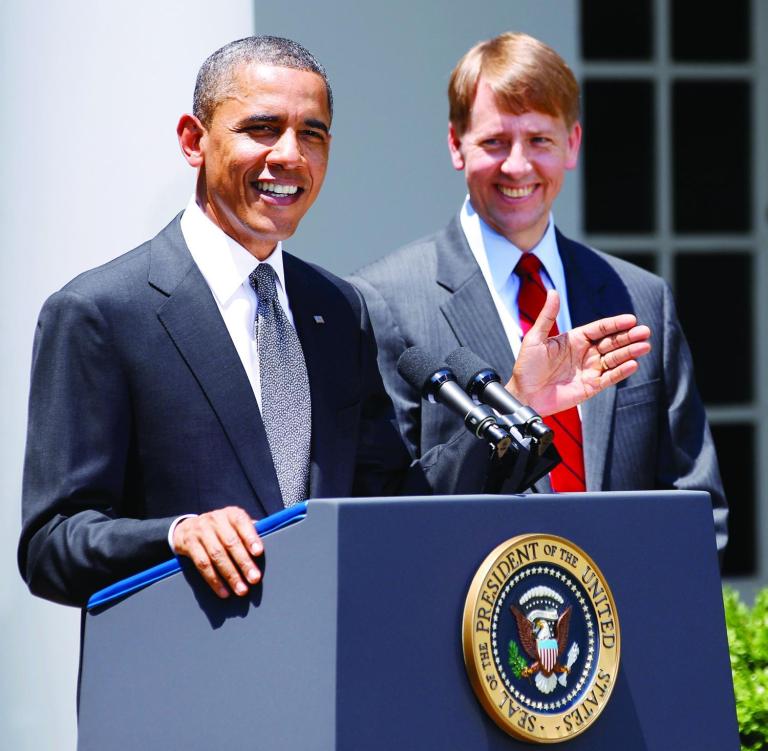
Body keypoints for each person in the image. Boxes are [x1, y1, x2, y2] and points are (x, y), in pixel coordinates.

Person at [18, 36, 651, 609]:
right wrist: (178, 534)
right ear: (193, 139)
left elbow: (389, 505)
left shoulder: (338, 309)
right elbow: (53, 544)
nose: (289, 156)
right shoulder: (101, 312)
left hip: (330, 695)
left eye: (312, 134)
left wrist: (520, 402)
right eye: (262, 129)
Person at [350, 32, 727, 550]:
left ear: (572, 144)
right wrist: (518, 402)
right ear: (455, 144)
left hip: (622, 619)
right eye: (494, 141)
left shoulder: (640, 299)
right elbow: (382, 511)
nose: (518, 166)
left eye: (539, 140)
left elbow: (697, 507)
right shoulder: (382, 300)